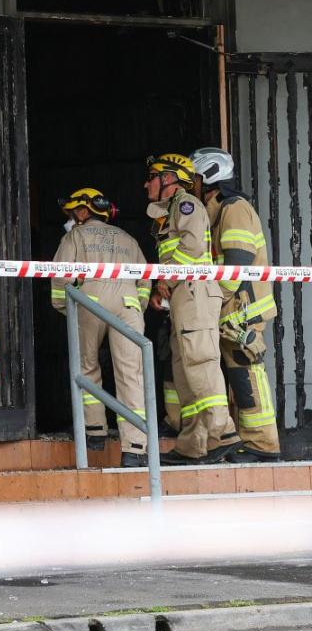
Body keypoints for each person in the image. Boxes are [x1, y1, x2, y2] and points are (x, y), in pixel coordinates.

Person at [144, 154, 242, 465]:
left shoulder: (187, 205)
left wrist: (166, 281)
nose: (147, 183)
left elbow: (192, 250)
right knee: (185, 367)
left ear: (170, 180)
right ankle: (195, 444)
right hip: (184, 295)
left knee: (200, 361)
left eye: (153, 176)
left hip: (193, 293)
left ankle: (221, 432)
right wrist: (165, 285)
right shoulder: (171, 211)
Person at [50, 188, 152, 467]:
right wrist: (136, 306)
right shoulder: (128, 239)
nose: (72, 218)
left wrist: (67, 309)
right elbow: (146, 279)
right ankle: (135, 448)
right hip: (128, 304)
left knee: (87, 366)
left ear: (83, 211)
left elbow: (60, 279)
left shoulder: (75, 236)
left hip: (89, 302)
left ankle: (95, 432)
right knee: (131, 373)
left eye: (73, 212)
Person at [191, 147, 280, 462]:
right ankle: (249, 441)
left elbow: (237, 264)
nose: (194, 185)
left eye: (196, 178)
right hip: (232, 311)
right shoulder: (217, 211)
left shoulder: (234, 209)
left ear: (210, 176)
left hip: (243, 311)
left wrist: (213, 299)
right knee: (238, 380)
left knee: (247, 375)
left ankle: (263, 445)